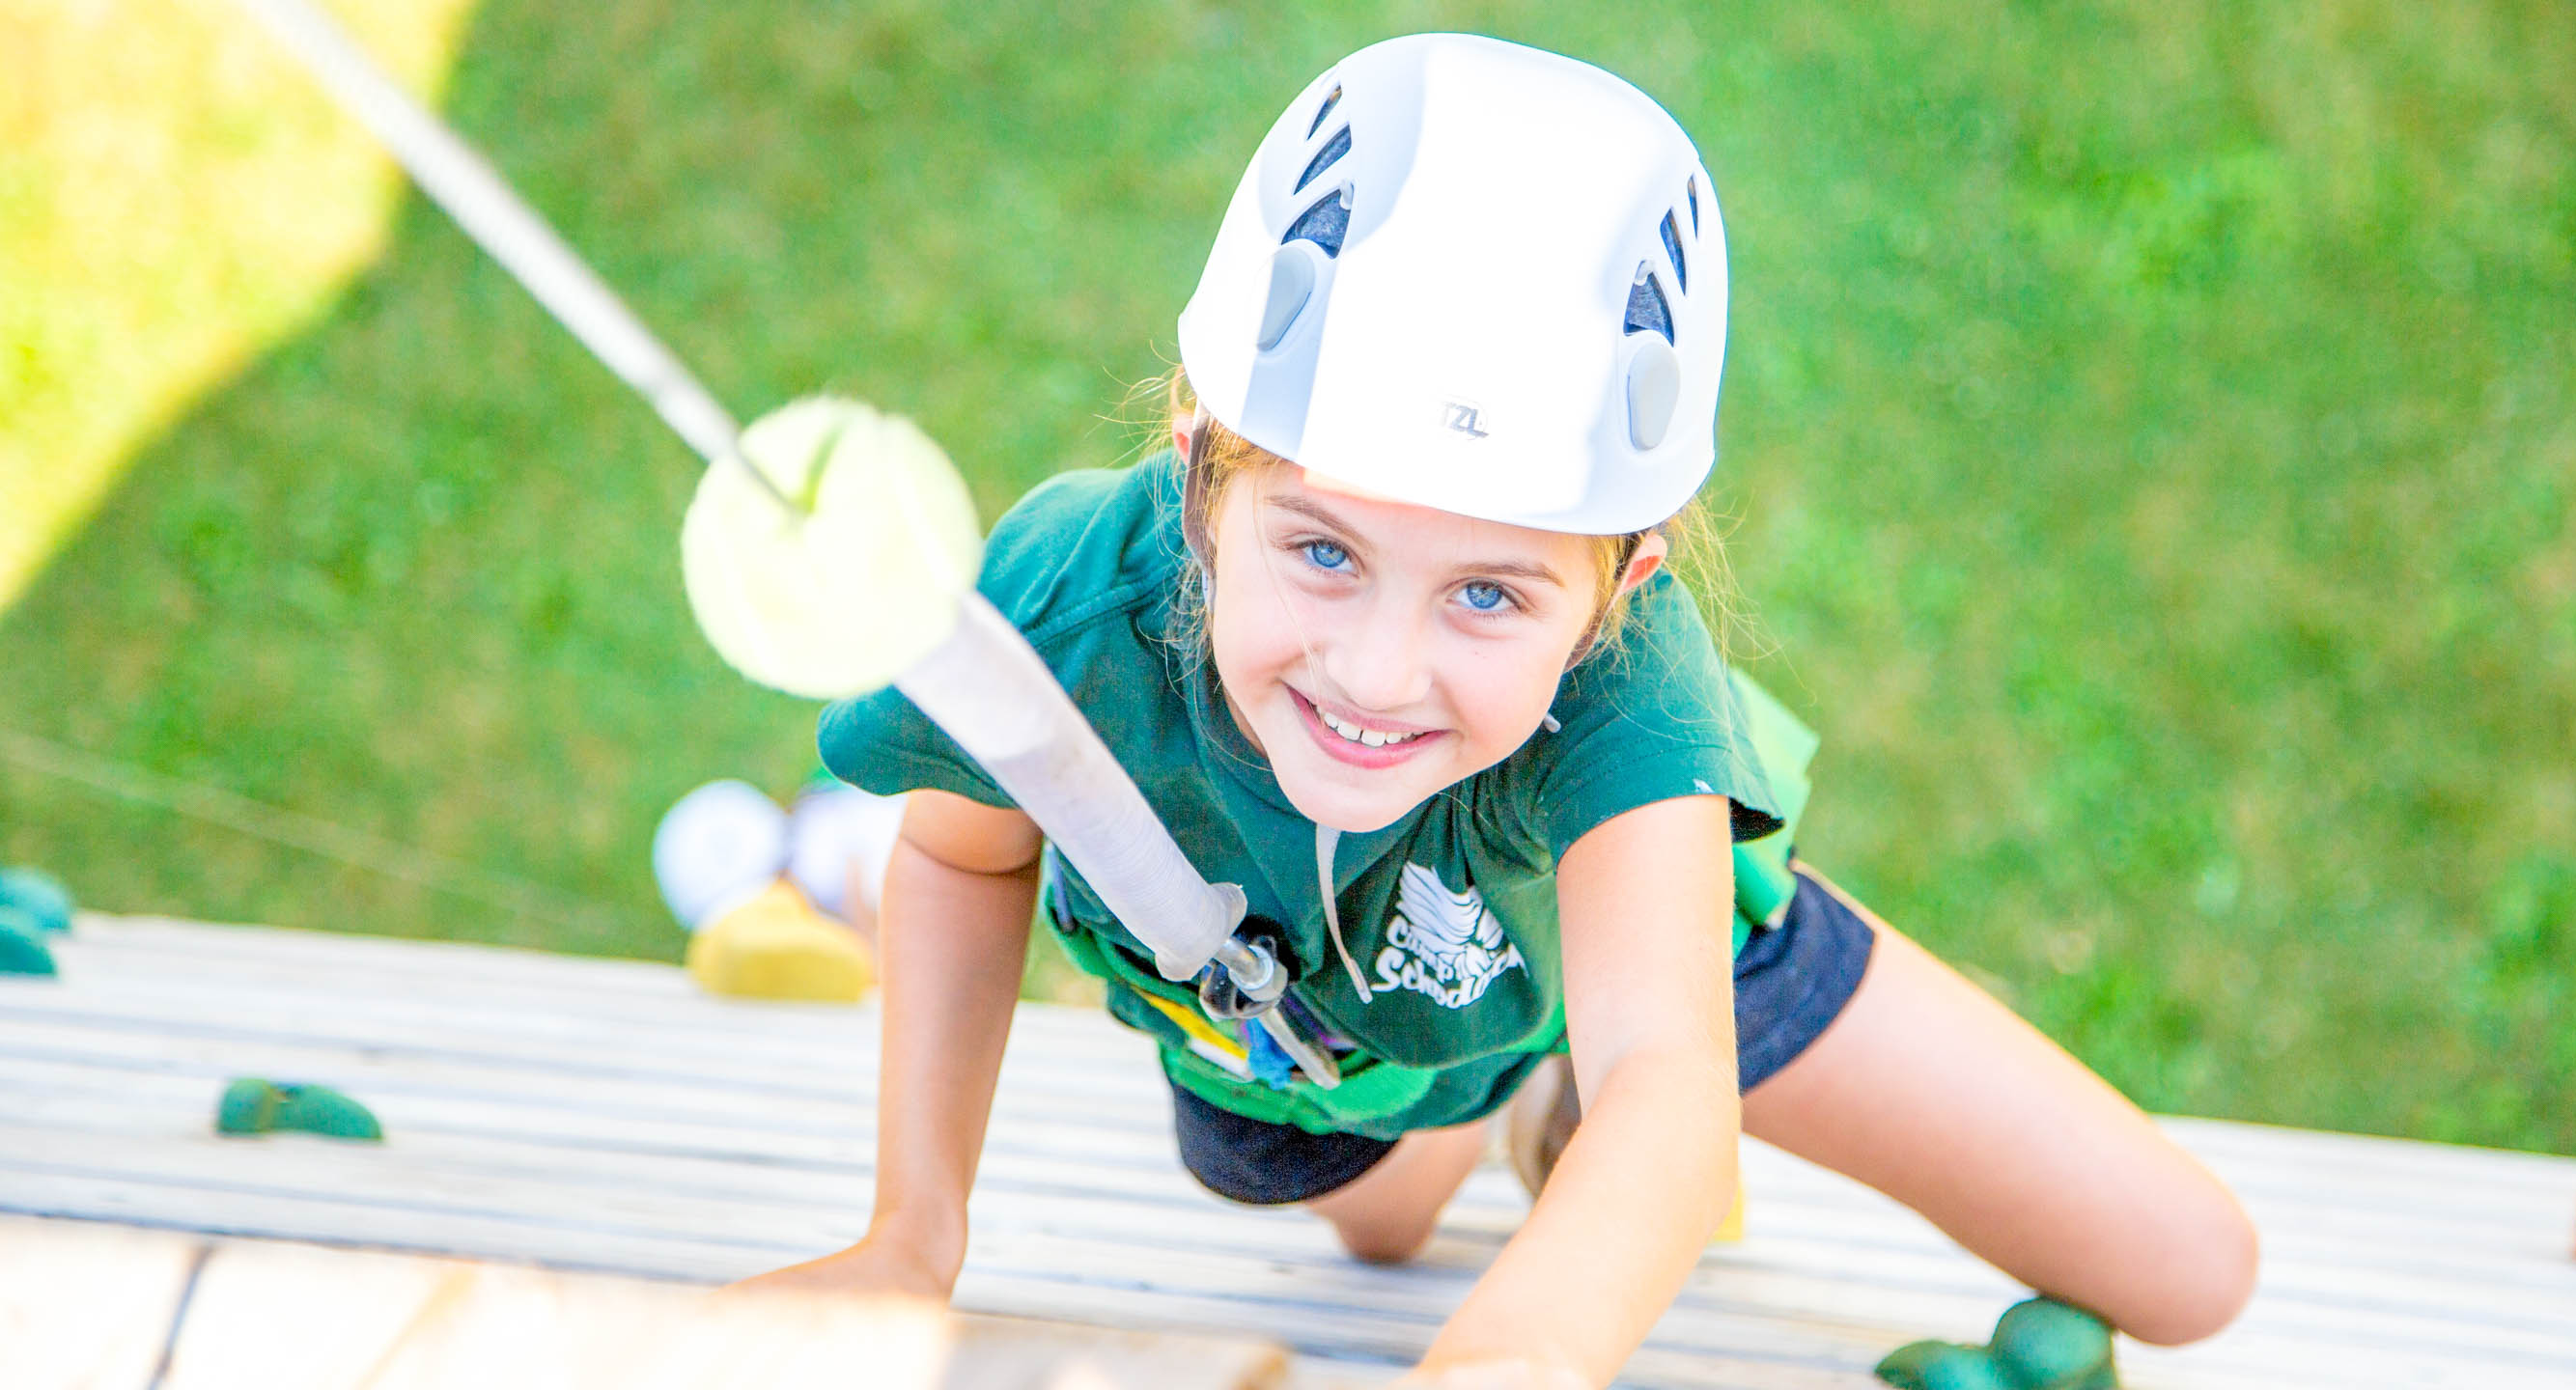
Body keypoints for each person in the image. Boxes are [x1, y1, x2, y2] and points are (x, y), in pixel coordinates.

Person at [731, 34, 2256, 1387]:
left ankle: (1555, 1063)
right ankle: (1528, 1104)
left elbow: (1670, 1087)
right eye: (1323, 550)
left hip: (1639, 936)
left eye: (1491, 595)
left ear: (1624, 585)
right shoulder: (1074, 597)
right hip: (1327, 1033)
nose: (1382, 675)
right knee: (1385, 1226)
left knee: (2191, 1269)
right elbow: (962, 856)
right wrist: (909, 1238)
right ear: (1199, 473)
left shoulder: (1629, 692)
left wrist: (1511, 1360)